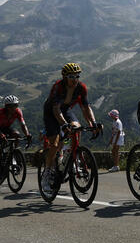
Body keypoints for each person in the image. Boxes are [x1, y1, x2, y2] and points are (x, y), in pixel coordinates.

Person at [41, 63, 98, 195]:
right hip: (51, 112)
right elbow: (55, 109)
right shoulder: (58, 86)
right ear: (64, 77)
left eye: (77, 76)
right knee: (55, 145)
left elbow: (86, 108)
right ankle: (47, 173)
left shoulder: (81, 87)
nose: (75, 79)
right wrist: (64, 124)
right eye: (71, 76)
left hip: (65, 110)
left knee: (77, 128)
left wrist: (93, 123)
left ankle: (72, 154)